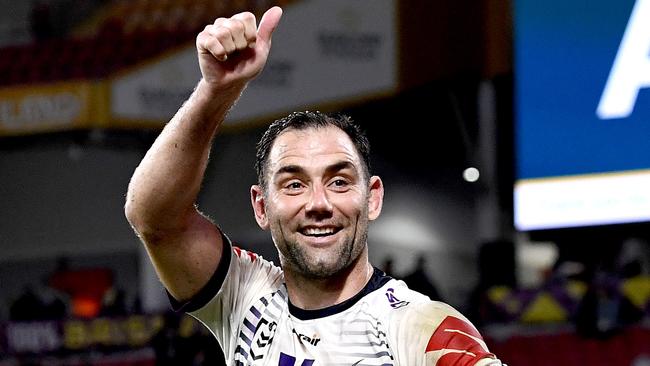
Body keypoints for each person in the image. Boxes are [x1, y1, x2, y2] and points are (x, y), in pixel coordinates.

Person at [125, 7, 503, 365]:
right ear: (261, 207)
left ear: (372, 198)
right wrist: (215, 91)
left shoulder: (420, 329)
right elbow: (154, 219)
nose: (318, 203)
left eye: (339, 181)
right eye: (293, 185)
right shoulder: (246, 298)